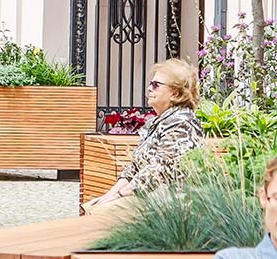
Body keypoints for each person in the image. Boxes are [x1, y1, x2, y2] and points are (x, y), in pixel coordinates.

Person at [87, 59, 206, 212]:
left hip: (170, 205)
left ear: (175, 93)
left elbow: (160, 169)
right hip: (147, 196)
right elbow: (134, 169)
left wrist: (119, 195)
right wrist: (108, 196)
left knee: (98, 216)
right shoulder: (157, 122)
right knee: (92, 207)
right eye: (150, 84)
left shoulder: (181, 123)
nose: (149, 88)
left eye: (156, 85)